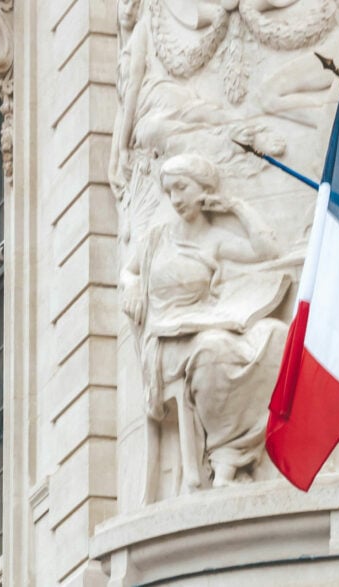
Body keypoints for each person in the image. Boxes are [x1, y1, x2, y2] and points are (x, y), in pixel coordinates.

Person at [121, 153, 289, 495]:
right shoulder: (157, 237)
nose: (176, 199)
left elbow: (268, 250)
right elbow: (128, 269)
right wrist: (132, 285)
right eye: (170, 191)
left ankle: (237, 450)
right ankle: (223, 460)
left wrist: (237, 207)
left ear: (204, 189)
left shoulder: (215, 240)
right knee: (212, 350)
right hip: (166, 342)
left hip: (203, 324)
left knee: (276, 335)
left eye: (182, 187)